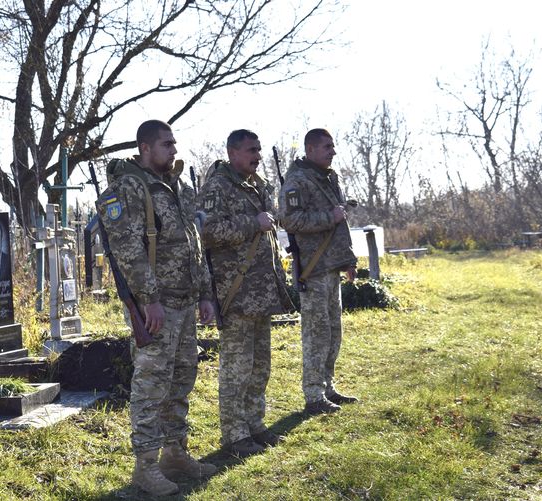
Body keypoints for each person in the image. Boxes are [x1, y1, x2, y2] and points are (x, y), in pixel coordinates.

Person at [95, 119, 216, 496]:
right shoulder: (129, 188)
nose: (174, 150)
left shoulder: (173, 186)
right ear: (145, 148)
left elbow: (193, 245)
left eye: (174, 143)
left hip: (184, 302)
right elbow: (128, 250)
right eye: (166, 144)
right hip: (158, 307)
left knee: (180, 382)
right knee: (150, 387)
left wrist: (205, 293)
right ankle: (145, 467)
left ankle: (174, 454)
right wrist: (149, 300)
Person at [198, 129, 294, 458]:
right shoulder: (217, 186)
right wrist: (253, 222)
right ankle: (234, 435)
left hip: (261, 292)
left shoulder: (257, 185)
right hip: (235, 293)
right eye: (252, 150)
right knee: (236, 369)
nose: (258, 155)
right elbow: (208, 232)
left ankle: (255, 424)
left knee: (260, 366)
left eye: (259, 149)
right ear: (233, 152)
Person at [278, 128, 359, 415]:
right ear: (311, 149)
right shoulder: (297, 180)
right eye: (327, 147)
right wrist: (329, 216)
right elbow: (289, 220)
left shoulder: (329, 177)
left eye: (333, 146)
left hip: (332, 267)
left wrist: (349, 260)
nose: (332, 152)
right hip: (312, 269)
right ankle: (313, 395)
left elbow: (341, 224)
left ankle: (327, 386)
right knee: (316, 333)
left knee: (333, 331)